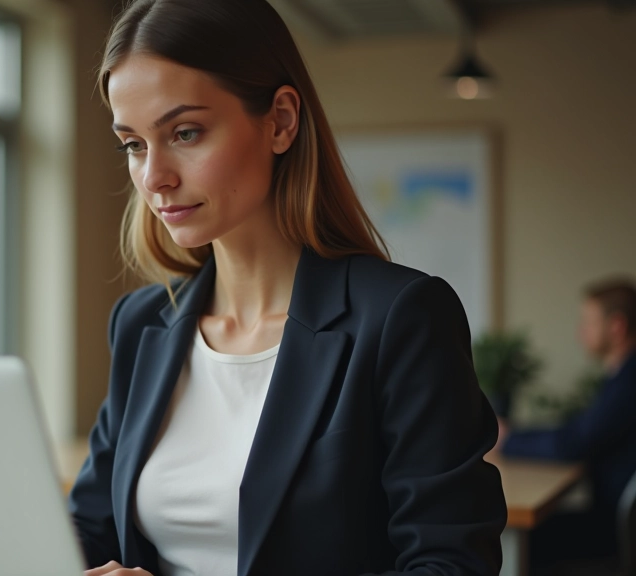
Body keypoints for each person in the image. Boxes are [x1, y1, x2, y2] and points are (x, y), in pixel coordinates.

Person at [68, 1, 507, 575]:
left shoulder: (400, 318)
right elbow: (90, 526)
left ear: (280, 121)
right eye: (133, 144)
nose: (154, 177)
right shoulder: (142, 322)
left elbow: (450, 563)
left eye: (186, 132)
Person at [499, 278, 636, 571]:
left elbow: (573, 443)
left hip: (613, 532)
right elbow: (577, 429)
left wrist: (507, 441)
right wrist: (513, 433)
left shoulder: (629, 381)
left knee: (518, 544)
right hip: (611, 520)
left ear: (617, 326)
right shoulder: (621, 376)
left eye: (588, 323)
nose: (580, 333)